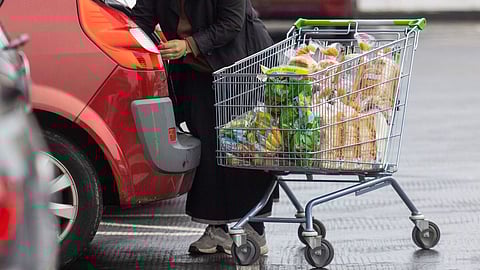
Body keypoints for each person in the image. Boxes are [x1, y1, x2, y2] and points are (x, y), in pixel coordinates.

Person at [132, 0, 276, 255]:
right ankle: (218, 229)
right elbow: (140, 19)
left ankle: (255, 228)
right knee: (208, 149)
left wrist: (188, 45)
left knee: (244, 147)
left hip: (240, 65)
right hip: (197, 69)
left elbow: (232, 22)